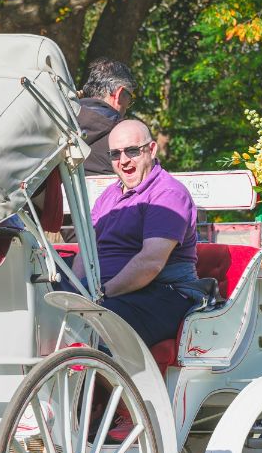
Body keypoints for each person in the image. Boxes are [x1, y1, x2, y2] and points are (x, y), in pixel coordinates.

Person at [81, 118, 203, 347]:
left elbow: (151, 263)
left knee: (98, 318)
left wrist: (98, 296)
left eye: (132, 151)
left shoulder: (167, 195)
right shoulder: (109, 196)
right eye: (115, 154)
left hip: (163, 294)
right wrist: (75, 288)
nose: (124, 161)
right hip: (114, 293)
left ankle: (99, 378)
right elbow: (86, 251)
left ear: (152, 149)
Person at [76, 58, 138, 175]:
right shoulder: (128, 137)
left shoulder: (59, 125)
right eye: (129, 99)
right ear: (119, 94)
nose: (128, 105)